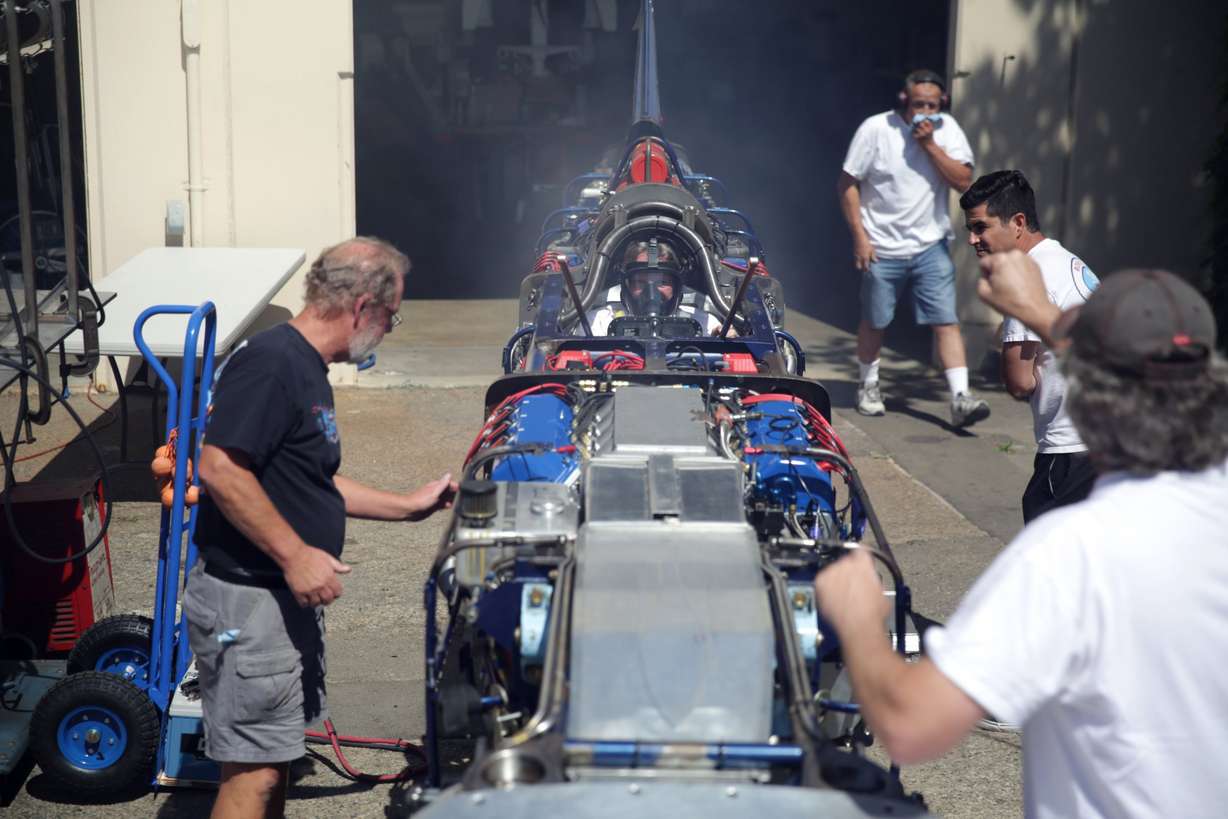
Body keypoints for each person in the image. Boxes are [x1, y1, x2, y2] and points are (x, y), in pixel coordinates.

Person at [815, 250, 1228, 818]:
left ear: (1080, 404)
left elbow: (911, 725)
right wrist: (1034, 308)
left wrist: (860, 617)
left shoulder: (1072, 555)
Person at [185, 237, 458, 819]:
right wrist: (294, 555)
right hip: (249, 602)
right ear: (362, 307)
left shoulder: (306, 368)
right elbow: (219, 467)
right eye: (391, 316)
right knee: (252, 776)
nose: (389, 329)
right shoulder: (272, 364)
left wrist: (408, 505)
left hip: (275, 604)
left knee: (273, 763)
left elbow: (312, 481)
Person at [838, 69, 990, 427]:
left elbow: (964, 182)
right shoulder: (876, 129)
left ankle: (960, 397)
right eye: (917, 104)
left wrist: (930, 145)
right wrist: (859, 235)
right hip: (881, 246)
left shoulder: (947, 130)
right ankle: (869, 385)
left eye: (932, 106)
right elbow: (847, 184)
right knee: (875, 321)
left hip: (929, 244)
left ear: (943, 105)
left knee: (946, 320)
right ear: (903, 101)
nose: (924, 112)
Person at [960, 170, 1099, 522]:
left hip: (1070, 452)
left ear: (1018, 222)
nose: (973, 240)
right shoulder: (1068, 262)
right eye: (970, 229)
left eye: (981, 227)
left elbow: (1020, 381)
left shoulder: (1026, 276)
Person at [585, 238, 723, 335]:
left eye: (662, 283)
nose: (651, 293)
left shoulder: (706, 325)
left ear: (677, 287)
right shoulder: (598, 323)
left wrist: (724, 342)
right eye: (640, 283)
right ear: (626, 287)